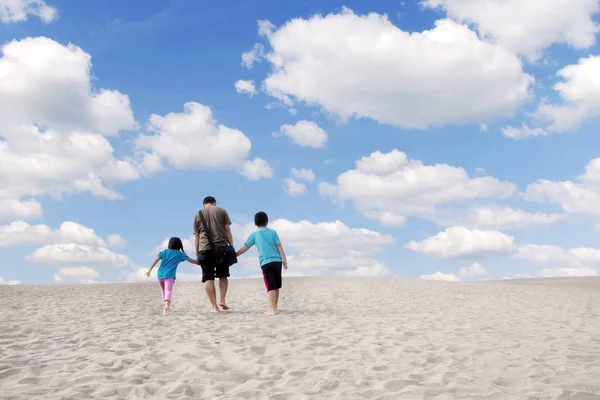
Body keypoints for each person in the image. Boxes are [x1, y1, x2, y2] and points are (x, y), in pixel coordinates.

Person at [236, 211, 288, 315]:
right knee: (276, 286)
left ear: (255, 223)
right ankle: (275, 307)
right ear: (267, 221)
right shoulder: (273, 232)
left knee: (270, 287)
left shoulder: (254, 234)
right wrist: (284, 259)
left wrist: (235, 255)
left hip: (266, 262)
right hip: (277, 261)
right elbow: (279, 246)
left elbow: (246, 247)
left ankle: (272, 309)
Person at [194, 196, 234, 312]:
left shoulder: (197, 214)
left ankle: (214, 306)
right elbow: (227, 230)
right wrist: (231, 246)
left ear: (204, 204)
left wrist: (197, 252)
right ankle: (222, 300)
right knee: (223, 275)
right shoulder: (222, 211)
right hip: (222, 247)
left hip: (204, 249)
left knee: (208, 278)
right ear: (214, 203)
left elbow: (196, 235)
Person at [145, 237, 198, 316]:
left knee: (163, 290)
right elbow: (192, 261)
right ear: (180, 245)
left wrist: (149, 270)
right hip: (169, 275)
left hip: (160, 274)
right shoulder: (180, 254)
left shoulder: (164, 252)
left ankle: (165, 305)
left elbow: (156, 260)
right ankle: (167, 305)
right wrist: (201, 262)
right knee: (168, 291)